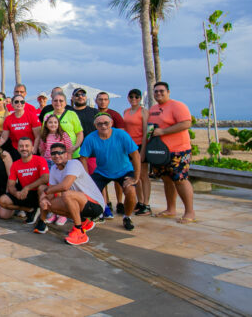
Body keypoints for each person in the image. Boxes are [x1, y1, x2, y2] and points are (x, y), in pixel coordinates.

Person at [79, 112, 140, 231]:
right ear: (95, 126)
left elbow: (135, 155)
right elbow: (83, 158)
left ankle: (127, 217)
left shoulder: (121, 135)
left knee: (131, 191)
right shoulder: (91, 138)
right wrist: (87, 178)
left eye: (106, 123)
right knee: (87, 191)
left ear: (111, 123)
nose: (103, 126)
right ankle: (97, 214)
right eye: (99, 124)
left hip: (124, 170)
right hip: (102, 171)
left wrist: (136, 177)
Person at [34, 143, 105, 246]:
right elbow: (52, 191)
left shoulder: (74, 164)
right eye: (53, 153)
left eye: (60, 153)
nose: (57, 155)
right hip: (80, 203)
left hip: (95, 205)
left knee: (67, 194)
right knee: (50, 204)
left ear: (66, 154)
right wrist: (43, 199)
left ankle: (79, 231)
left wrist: (45, 192)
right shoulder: (54, 169)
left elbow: (64, 186)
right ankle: (84, 221)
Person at [147, 81, 195, 223]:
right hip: (160, 151)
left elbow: (186, 123)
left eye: (161, 91)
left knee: (180, 179)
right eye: (156, 91)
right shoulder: (154, 108)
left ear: (168, 92)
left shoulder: (177, 106)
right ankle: (170, 209)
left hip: (179, 150)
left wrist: (163, 131)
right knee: (166, 179)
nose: (158, 94)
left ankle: (189, 212)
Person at [0, 137, 49, 224]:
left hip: (38, 194)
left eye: (27, 146)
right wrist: (15, 193)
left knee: (42, 187)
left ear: (32, 148)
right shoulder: (15, 164)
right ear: (18, 148)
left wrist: (27, 188)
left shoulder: (40, 160)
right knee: (3, 201)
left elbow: (45, 178)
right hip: (25, 194)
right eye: (21, 146)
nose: (24, 148)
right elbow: (11, 184)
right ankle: (30, 210)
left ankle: (42, 218)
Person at [123, 88, 150, 216]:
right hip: (129, 146)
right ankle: (139, 202)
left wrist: (143, 150)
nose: (134, 99)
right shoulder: (126, 112)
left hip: (139, 145)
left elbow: (146, 133)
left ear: (140, 99)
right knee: (135, 176)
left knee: (143, 175)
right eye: (131, 97)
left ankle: (146, 203)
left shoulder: (144, 112)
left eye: (136, 97)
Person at [0, 95, 40, 162]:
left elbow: (38, 136)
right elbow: (3, 138)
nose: (19, 103)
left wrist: (34, 148)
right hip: (16, 150)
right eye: (16, 102)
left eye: (22, 101)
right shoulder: (8, 119)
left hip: (30, 150)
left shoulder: (32, 116)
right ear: (12, 104)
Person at [41, 92, 84, 158]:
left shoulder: (72, 114)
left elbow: (79, 133)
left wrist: (75, 147)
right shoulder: (47, 115)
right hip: (51, 156)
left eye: (61, 101)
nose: (58, 102)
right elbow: (44, 133)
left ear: (65, 103)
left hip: (72, 153)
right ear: (52, 102)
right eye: (55, 100)